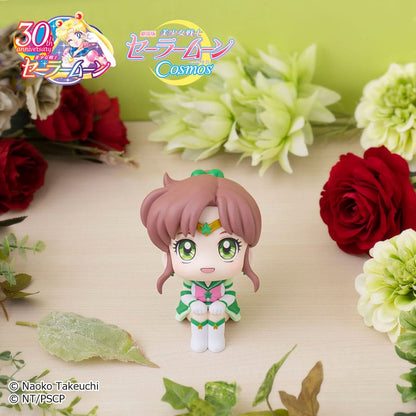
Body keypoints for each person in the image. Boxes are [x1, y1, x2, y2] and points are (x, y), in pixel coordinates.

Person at [141, 169, 261, 352]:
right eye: (186, 249)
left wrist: (221, 304)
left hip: (220, 310)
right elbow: (186, 294)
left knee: (216, 316)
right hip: (194, 310)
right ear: (166, 257)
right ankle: (198, 337)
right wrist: (193, 304)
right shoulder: (191, 283)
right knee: (198, 316)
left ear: (248, 254)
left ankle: (216, 337)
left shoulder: (225, 282)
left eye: (227, 248)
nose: (207, 263)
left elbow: (229, 294)